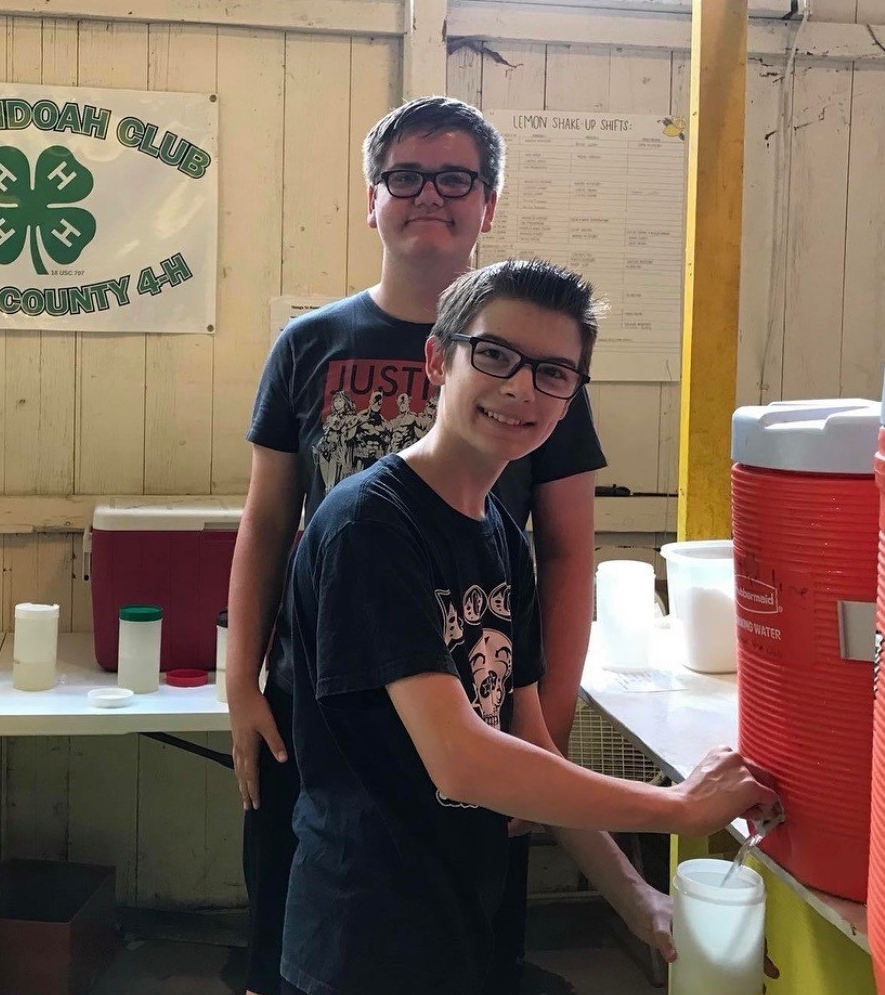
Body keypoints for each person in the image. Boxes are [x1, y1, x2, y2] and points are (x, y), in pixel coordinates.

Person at [279, 259, 778, 995]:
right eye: (494, 355)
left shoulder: (499, 533)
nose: (521, 388)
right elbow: (462, 760)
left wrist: (640, 901)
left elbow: (527, 744)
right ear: (436, 358)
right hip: (363, 932)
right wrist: (677, 809)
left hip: (464, 913)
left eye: (553, 372)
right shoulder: (370, 526)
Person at [228, 96, 606, 995]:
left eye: (455, 178)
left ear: (488, 204)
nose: (427, 195)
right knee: (310, 941)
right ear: (373, 199)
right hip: (323, 709)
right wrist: (238, 680)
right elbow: (267, 522)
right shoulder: (309, 343)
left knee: (463, 947)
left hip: (479, 704)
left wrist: (541, 723)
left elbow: (564, 551)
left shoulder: (540, 358)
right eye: (405, 176)